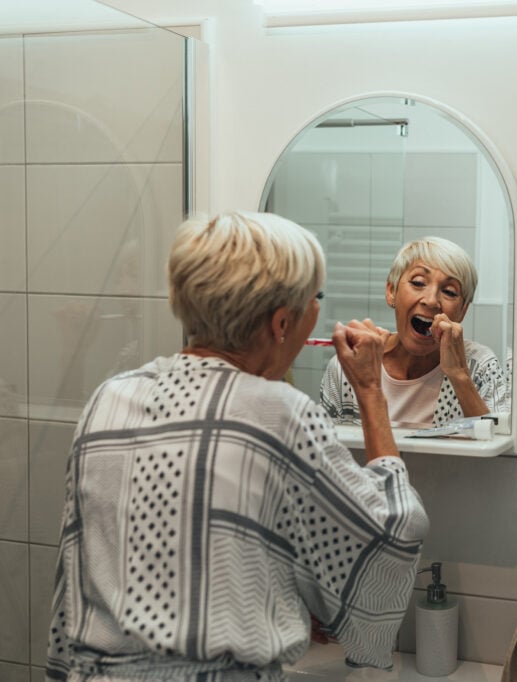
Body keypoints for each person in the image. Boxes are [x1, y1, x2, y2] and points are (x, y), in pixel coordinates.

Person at [45, 211, 428, 681]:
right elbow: (393, 530)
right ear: (282, 322)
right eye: (316, 299)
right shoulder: (279, 414)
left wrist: (279, 593)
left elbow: (92, 574)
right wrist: (370, 391)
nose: (318, 311)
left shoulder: (109, 399)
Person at [320, 236, 509, 429]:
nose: (431, 300)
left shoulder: (480, 366)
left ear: (463, 311)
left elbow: (501, 448)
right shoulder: (350, 366)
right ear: (391, 291)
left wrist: (459, 376)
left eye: (450, 292)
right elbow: (327, 448)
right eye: (418, 283)